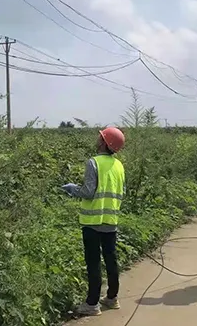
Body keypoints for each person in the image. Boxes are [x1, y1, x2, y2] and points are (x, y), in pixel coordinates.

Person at [62, 127, 126, 316]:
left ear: (105, 143)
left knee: (93, 262)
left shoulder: (93, 163)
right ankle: (112, 298)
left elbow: (88, 192)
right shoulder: (119, 165)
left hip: (92, 221)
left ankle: (92, 304)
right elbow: (122, 193)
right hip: (111, 220)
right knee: (111, 259)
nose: (98, 139)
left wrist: (73, 189)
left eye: (101, 137)